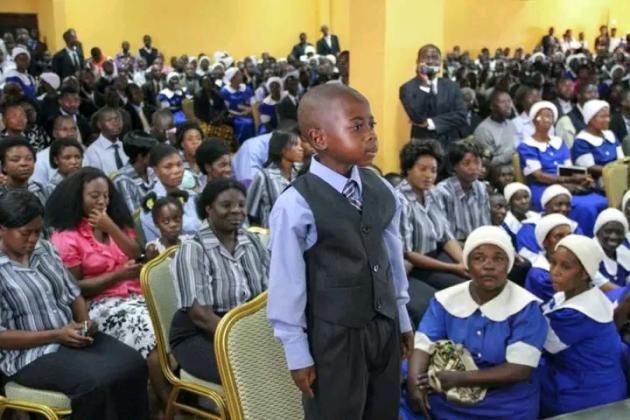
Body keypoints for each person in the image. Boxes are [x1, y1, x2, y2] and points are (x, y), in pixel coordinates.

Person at [267, 84, 414, 419]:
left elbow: (392, 261)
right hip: (334, 337)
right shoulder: (296, 203)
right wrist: (296, 352)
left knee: (383, 411)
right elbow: (286, 285)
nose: (371, 135)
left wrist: (401, 317)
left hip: (384, 327)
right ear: (319, 138)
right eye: (357, 126)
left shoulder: (381, 188)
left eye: (371, 124)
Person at [0, 190, 148, 420]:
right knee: (97, 383)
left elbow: (73, 293)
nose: (32, 239)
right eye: (25, 233)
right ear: (2, 229)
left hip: (69, 336)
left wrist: (85, 322)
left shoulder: (45, 249)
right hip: (27, 355)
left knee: (134, 364)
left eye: (37, 232)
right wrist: (56, 335)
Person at [46, 167, 172, 405]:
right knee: (152, 332)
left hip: (134, 294)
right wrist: (117, 276)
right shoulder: (66, 237)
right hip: (98, 304)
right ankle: (168, 405)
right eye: (94, 196)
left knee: (174, 319)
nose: (102, 201)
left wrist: (110, 227)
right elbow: (75, 288)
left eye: (106, 196)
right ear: (78, 198)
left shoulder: (113, 223)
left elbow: (136, 254)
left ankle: (176, 394)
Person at [405, 226, 547, 419]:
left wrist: (459, 379)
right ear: (467, 264)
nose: (488, 266)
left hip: (506, 402)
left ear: (509, 264)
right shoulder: (446, 300)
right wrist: (414, 383)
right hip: (450, 396)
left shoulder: (526, 308)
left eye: (498, 258)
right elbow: (423, 344)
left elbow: (519, 369)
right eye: (479, 258)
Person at [170, 178, 268, 383]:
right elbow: (200, 316)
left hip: (246, 326)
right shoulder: (193, 249)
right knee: (252, 372)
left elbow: (269, 293)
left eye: (241, 205)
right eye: (226, 205)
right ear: (209, 209)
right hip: (201, 332)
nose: (236, 210)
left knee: (289, 358)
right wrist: (247, 341)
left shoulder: (251, 241)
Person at [539, 234, 627, 416]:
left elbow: (538, 341)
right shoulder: (578, 295)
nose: (555, 271)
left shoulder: (578, 313)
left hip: (589, 398)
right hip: (595, 387)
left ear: (585, 273)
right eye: (553, 263)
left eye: (565, 267)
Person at [397, 141, 466, 327]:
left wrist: (463, 262)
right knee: (435, 301)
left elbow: (445, 236)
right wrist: (453, 268)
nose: (429, 175)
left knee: (471, 280)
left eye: (433, 170)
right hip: (413, 265)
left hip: (435, 255)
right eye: (422, 169)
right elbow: (407, 253)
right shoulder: (399, 200)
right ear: (408, 169)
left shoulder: (433, 194)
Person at [517, 100, 608, 235]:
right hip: (543, 188)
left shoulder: (558, 142)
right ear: (534, 120)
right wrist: (568, 180)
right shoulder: (527, 146)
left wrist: (581, 178)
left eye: (550, 116)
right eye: (543, 116)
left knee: (604, 201)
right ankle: (583, 238)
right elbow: (539, 176)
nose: (548, 119)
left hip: (567, 185)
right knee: (586, 207)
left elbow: (568, 169)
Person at [399, 44, 467, 143]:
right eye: (425, 57)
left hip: (449, 144)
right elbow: (418, 118)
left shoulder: (452, 86)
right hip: (423, 145)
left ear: (440, 62)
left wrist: (430, 122)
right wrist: (425, 85)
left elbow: (462, 116)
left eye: (434, 57)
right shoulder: (408, 89)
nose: (430, 61)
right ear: (417, 62)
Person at [140, 144, 201, 242]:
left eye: (179, 164)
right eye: (168, 167)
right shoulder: (151, 204)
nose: (176, 171)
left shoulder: (191, 195)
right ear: (155, 171)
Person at [435, 140, 490, 241]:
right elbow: (444, 236)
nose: (473, 168)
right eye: (466, 163)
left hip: (478, 243)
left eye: (477, 162)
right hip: (453, 245)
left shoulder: (481, 188)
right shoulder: (443, 192)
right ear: (454, 166)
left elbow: (486, 226)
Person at [246, 130, 303, 228]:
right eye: (295, 145)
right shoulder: (264, 176)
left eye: (300, 145)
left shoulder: (300, 173)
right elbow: (249, 209)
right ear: (282, 150)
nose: (300, 149)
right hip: (271, 233)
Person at [524, 213, 573, 302]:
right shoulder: (539, 276)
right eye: (559, 236)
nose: (566, 240)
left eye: (569, 235)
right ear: (545, 242)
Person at [572, 99, 624, 179]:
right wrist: (614, 171)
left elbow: (621, 159)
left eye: (608, 116)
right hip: (596, 181)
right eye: (603, 116)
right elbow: (589, 167)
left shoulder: (610, 135)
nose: (608, 120)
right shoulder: (581, 141)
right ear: (590, 118)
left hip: (618, 176)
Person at [112, 130, 158, 212]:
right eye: (153, 153)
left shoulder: (153, 170)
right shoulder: (122, 180)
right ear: (140, 156)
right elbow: (134, 215)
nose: (157, 155)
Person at [0, 136, 51, 207]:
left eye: (29, 159)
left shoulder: (41, 190)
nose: (23, 163)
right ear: (3, 166)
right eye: (15, 160)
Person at [141, 190, 189, 260]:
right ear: (156, 224)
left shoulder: (189, 242)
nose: (173, 225)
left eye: (177, 219)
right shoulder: (154, 250)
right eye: (166, 222)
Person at [473, 89, 516, 166]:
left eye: (509, 101)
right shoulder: (484, 130)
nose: (508, 105)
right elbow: (485, 162)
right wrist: (510, 155)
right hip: (498, 171)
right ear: (492, 106)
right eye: (503, 102)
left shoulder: (511, 123)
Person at [32, 115, 79, 185]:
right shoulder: (40, 159)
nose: (70, 133)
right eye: (64, 130)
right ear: (54, 133)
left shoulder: (84, 154)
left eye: (73, 129)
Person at [83, 107, 128, 176]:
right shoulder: (92, 152)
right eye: (109, 120)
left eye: (117, 119)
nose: (115, 123)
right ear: (99, 124)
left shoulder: (126, 146)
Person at [593, 208, 630, 288]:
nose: (613, 237)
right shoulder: (588, 253)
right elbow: (605, 287)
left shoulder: (625, 254)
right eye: (608, 231)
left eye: (619, 232)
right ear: (598, 232)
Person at [556, 82, 599, 149]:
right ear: (579, 96)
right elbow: (570, 150)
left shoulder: (600, 118)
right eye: (589, 92)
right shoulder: (566, 120)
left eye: (596, 92)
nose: (593, 95)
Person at [220, 68, 256, 144]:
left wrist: (250, 110)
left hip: (250, 113)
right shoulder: (225, 91)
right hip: (234, 116)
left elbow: (254, 103)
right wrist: (240, 114)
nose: (241, 75)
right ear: (232, 78)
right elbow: (226, 109)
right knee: (247, 123)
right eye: (238, 74)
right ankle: (243, 144)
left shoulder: (247, 89)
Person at [175, 122, 204, 191]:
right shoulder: (177, 166)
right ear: (182, 143)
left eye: (198, 138)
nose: (195, 142)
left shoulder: (208, 161)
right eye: (190, 139)